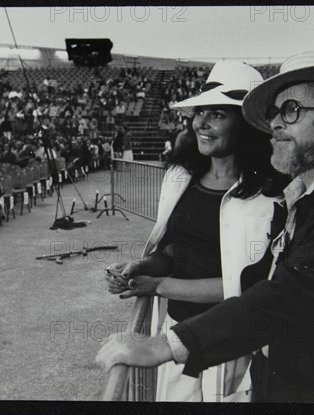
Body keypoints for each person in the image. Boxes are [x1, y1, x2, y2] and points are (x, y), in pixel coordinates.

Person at [97, 51, 314, 403]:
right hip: (274, 382)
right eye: (274, 113)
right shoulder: (304, 192)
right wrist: (153, 278)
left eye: (291, 111)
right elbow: (252, 280)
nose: (274, 124)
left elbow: (288, 296)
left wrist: (164, 344)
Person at [103, 61, 288, 402]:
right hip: (175, 334)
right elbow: (175, 251)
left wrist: (159, 285)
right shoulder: (181, 178)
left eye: (218, 113)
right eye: (201, 111)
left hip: (232, 343)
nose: (202, 122)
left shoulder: (270, 196)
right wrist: (141, 267)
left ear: (246, 124)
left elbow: (248, 288)